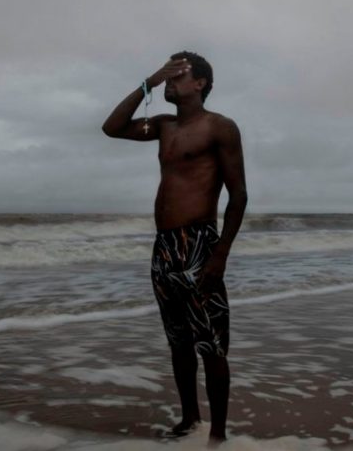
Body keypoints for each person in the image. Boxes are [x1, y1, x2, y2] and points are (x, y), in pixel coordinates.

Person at [102, 51, 247, 444]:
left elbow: (238, 196)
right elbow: (111, 127)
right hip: (164, 248)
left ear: (200, 83)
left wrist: (220, 254)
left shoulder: (220, 128)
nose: (170, 81)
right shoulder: (163, 126)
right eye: (167, 76)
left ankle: (218, 435)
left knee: (211, 345)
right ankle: (189, 421)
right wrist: (147, 82)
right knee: (179, 342)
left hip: (199, 244)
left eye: (178, 75)